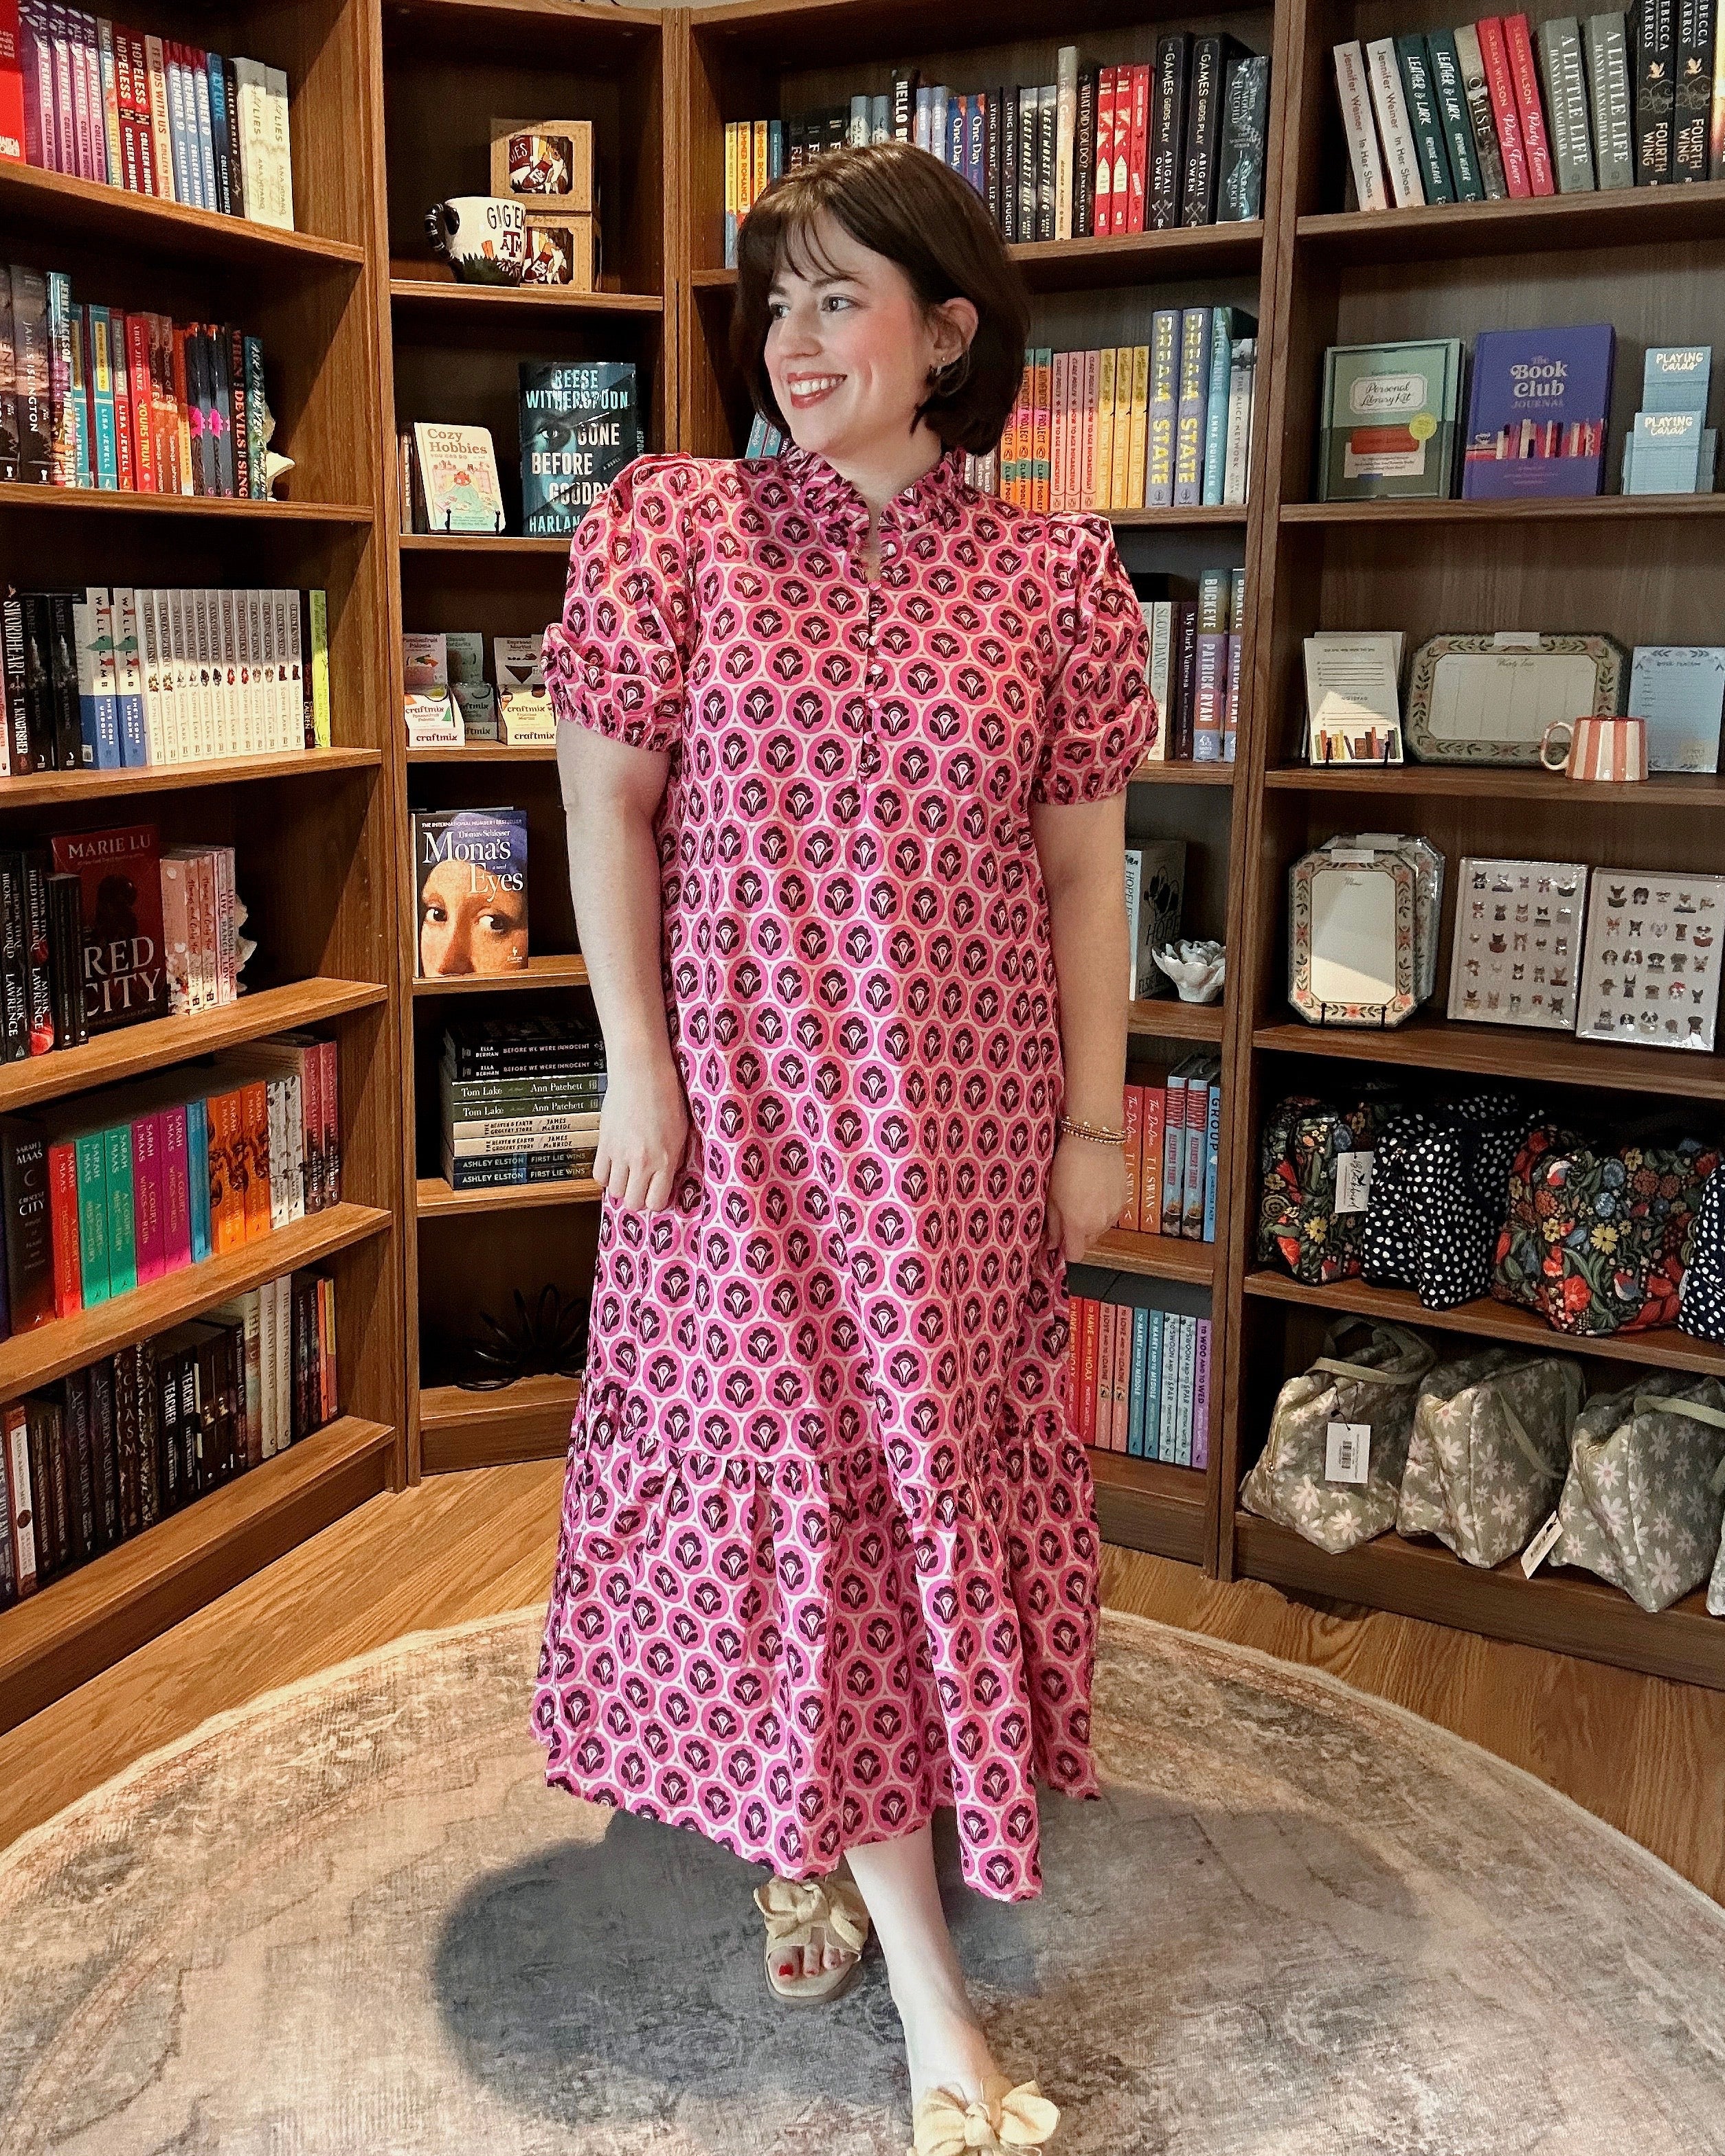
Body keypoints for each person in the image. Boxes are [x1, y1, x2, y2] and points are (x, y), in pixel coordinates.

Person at [533, 139, 1155, 2155]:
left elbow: (1083, 882)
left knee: (912, 1497)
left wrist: (1089, 1118)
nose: (793, 344)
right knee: (792, 1484)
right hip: (745, 1133)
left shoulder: (1055, 581)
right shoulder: (680, 529)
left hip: (965, 1146)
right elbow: (604, 811)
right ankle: (931, 1994)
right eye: (775, 301)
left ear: (948, 332)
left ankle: (816, 1826)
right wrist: (637, 1061)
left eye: (838, 299)